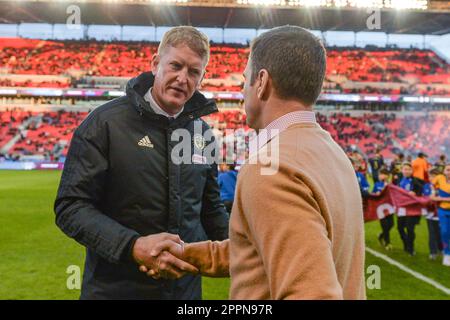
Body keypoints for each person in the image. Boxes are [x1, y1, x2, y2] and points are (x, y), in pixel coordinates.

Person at [142, 26, 366, 300]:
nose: (241, 92)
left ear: (262, 82)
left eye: (244, 81)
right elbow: (266, 247)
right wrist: (186, 254)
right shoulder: (333, 153)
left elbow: (312, 292)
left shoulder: (272, 168)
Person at [54, 26, 229, 299]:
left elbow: (210, 210)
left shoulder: (203, 135)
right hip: (115, 291)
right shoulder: (104, 124)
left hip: (185, 293)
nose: (183, 78)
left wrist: (247, 251)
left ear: (202, 78)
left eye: (194, 72)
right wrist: (133, 246)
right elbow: (71, 207)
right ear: (155, 64)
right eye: (175, 66)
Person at [396, 162, 424, 256]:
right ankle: (406, 244)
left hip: (412, 209)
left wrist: (416, 193)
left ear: (412, 171)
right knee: (400, 228)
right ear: (402, 170)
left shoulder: (416, 181)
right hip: (401, 208)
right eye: (405, 169)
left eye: (409, 169)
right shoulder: (399, 180)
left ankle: (411, 248)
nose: (407, 171)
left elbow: (422, 192)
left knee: (410, 228)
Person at [431, 164, 450, 266]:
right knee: (444, 232)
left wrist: (440, 198)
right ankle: (447, 254)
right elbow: (431, 188)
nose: (449, 172)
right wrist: (433, 193)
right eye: (448, 170)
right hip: (442, 210)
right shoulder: (439, 178)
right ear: (444, 171)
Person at [371, 168, 393, 250]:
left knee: (391, 224)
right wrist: (375, 193)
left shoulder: (389, 185)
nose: (380, 176)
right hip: (380, 209)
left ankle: (381, 235)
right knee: (385, 226)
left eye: (382, 174)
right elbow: (372, 193)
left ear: (387, 176)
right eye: (380, 174)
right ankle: (388, 243)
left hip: (389, 208)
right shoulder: (377, 184)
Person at [423, 168, 442, 261]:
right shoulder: (426, 186)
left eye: (434, 176)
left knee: (441, 233)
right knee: (432, 233)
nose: (432, 178)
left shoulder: (444, 186)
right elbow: (425, 199)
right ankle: (433, 252)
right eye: (430, 176)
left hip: (441, 213)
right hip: (430, 214)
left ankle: (441, 248)